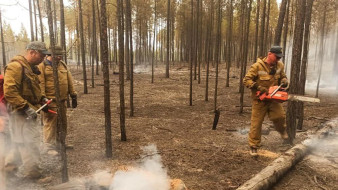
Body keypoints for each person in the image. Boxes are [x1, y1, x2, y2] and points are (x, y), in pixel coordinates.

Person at [3, 41, 49, 179]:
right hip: (21, 113)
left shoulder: (29, 67)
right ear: (32, 52)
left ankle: (8, 171)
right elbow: (10, 91)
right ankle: (34, 174)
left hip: (25, 111)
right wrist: (25, 107)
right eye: (41, 55)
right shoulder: (16, 67)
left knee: (19, 142)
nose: (43, 58)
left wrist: (42, 99)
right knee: (30, 142)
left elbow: (30, 89)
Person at [243, 46, 289, 157]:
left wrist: (284, 81)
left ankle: (282, 131)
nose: (278, 60)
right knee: (256, 123)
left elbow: (283, 77)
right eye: (276, 57)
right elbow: (246, 80)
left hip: (273, 98)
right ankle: (254, 146)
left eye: (279, 58)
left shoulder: (280, 66)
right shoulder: (257, 66)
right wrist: (258, 87)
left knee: (280, 116)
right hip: (260, 100)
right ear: (269, 54)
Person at [38, 45, 77, 155]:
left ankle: (61, 143)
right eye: (58, 55)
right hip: (50, 101)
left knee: (63, 123)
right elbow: (40, 83)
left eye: (61, 55)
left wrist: (73, 94)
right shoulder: (43, 66)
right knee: (50, 123)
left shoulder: (62, 64)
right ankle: (48, 147)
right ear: (50, 54)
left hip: (62, 101)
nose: (60, 57)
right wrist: (43, 99)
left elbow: (69, 80)